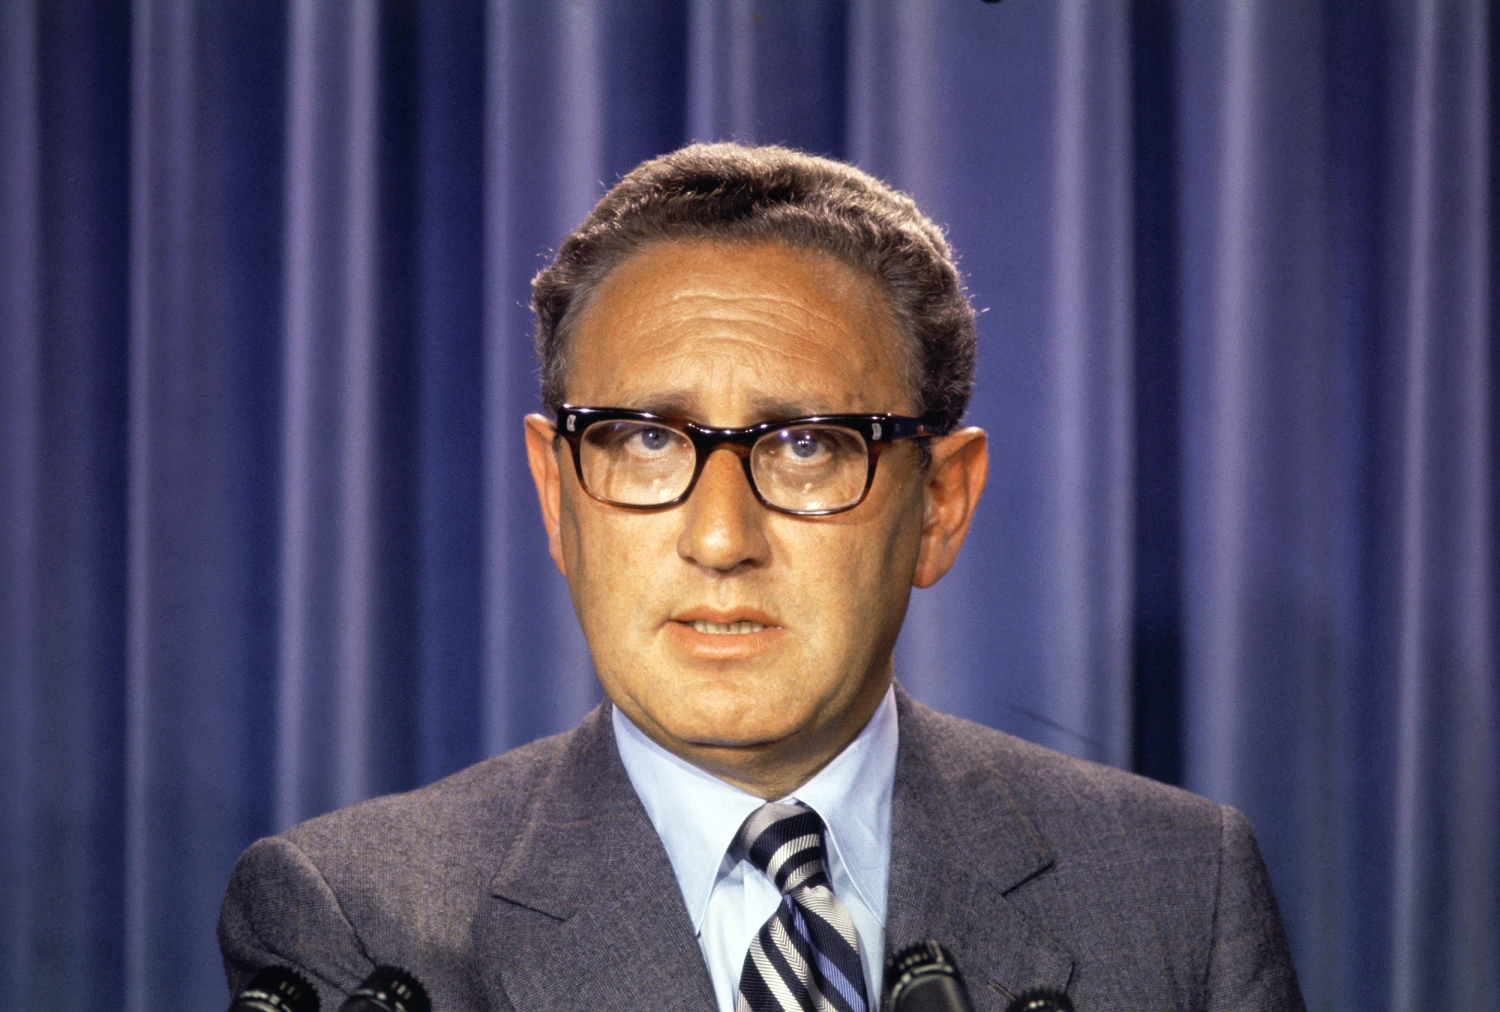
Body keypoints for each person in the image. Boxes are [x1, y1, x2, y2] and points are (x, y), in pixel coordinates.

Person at [219, 143, 1305, 1012]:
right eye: (645, 441)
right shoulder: (359, 919)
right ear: (557, 496)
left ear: (941, 504)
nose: (721, 536)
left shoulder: (1176, 891)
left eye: (808, 445)